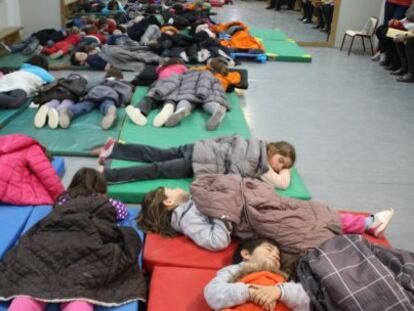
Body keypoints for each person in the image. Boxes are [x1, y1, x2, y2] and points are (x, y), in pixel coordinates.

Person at [137, 174, 394, 273]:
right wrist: (225, 214)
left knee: (309, 210)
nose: (174, 187)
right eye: (169, 190)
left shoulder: (195, 201)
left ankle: (367, 222)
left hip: (255, 205)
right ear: (168, 203)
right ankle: (366, 229)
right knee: (303, 225)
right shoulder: (188, 216)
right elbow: (216, 241)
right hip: (254, 220)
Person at [1, 168, 145, 311]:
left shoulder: (63, 200)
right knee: (80, 289)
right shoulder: (109, 202)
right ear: (101, 187)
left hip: (50, 238)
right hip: (87, 240)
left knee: (31, 286)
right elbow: (122, 213)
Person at [96, 135, 296, 190]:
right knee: (155, 170)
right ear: (272, 150)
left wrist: (206, 144)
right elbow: (233, 176)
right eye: (280, 161)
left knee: (157, 154)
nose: (279, 168)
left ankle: (115, 149)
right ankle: (107, 176)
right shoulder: (256, 162)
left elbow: (225, 138)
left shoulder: (252, 142)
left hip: (198, 148)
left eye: (283, 167)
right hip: (199, 163)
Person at [204, 238, 310, 311]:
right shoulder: (234, 269)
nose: (275, 256)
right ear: (246, 254)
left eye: (278, 257)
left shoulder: (284, 278)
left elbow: (307, 301)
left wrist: (280, 291)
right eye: (269, 250)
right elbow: (212, 292)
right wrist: (250, 292)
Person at [59, 67, 133, 130]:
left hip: (95, 92)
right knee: (107, 103)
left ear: (106, 75)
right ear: (120, 77)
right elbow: (126, 93)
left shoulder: (101, 79)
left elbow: (88, 86)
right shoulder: (120, 82)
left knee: (84, 105)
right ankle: (110, 110)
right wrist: (122, 102)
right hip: (110, 94)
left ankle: (69, 112)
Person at [125, 57, 188, 127]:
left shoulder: (163, 67)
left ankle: (137, 110)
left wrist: (162, 64)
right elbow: (186, 75)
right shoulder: (182, 67)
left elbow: (157, 69)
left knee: (150, 97)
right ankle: (166, 110)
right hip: (174, 82)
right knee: (171, 98)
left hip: (159, 82)